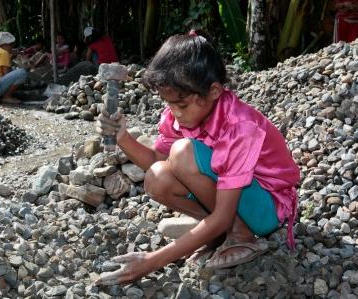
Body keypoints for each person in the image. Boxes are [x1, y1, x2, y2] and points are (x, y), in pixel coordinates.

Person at [95, 30, 300, 285]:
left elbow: (222, 211)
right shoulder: (178, 116)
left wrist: (151, 261)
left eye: (182, 105)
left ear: (214, 91)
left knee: (182, 153)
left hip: (268, 207)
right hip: (231, 203)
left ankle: (241, 234)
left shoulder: (240, 127)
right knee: (157, 178)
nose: (175, 113)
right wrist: (123, 137)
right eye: (169, 104)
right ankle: (217, 235)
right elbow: (158, 161)